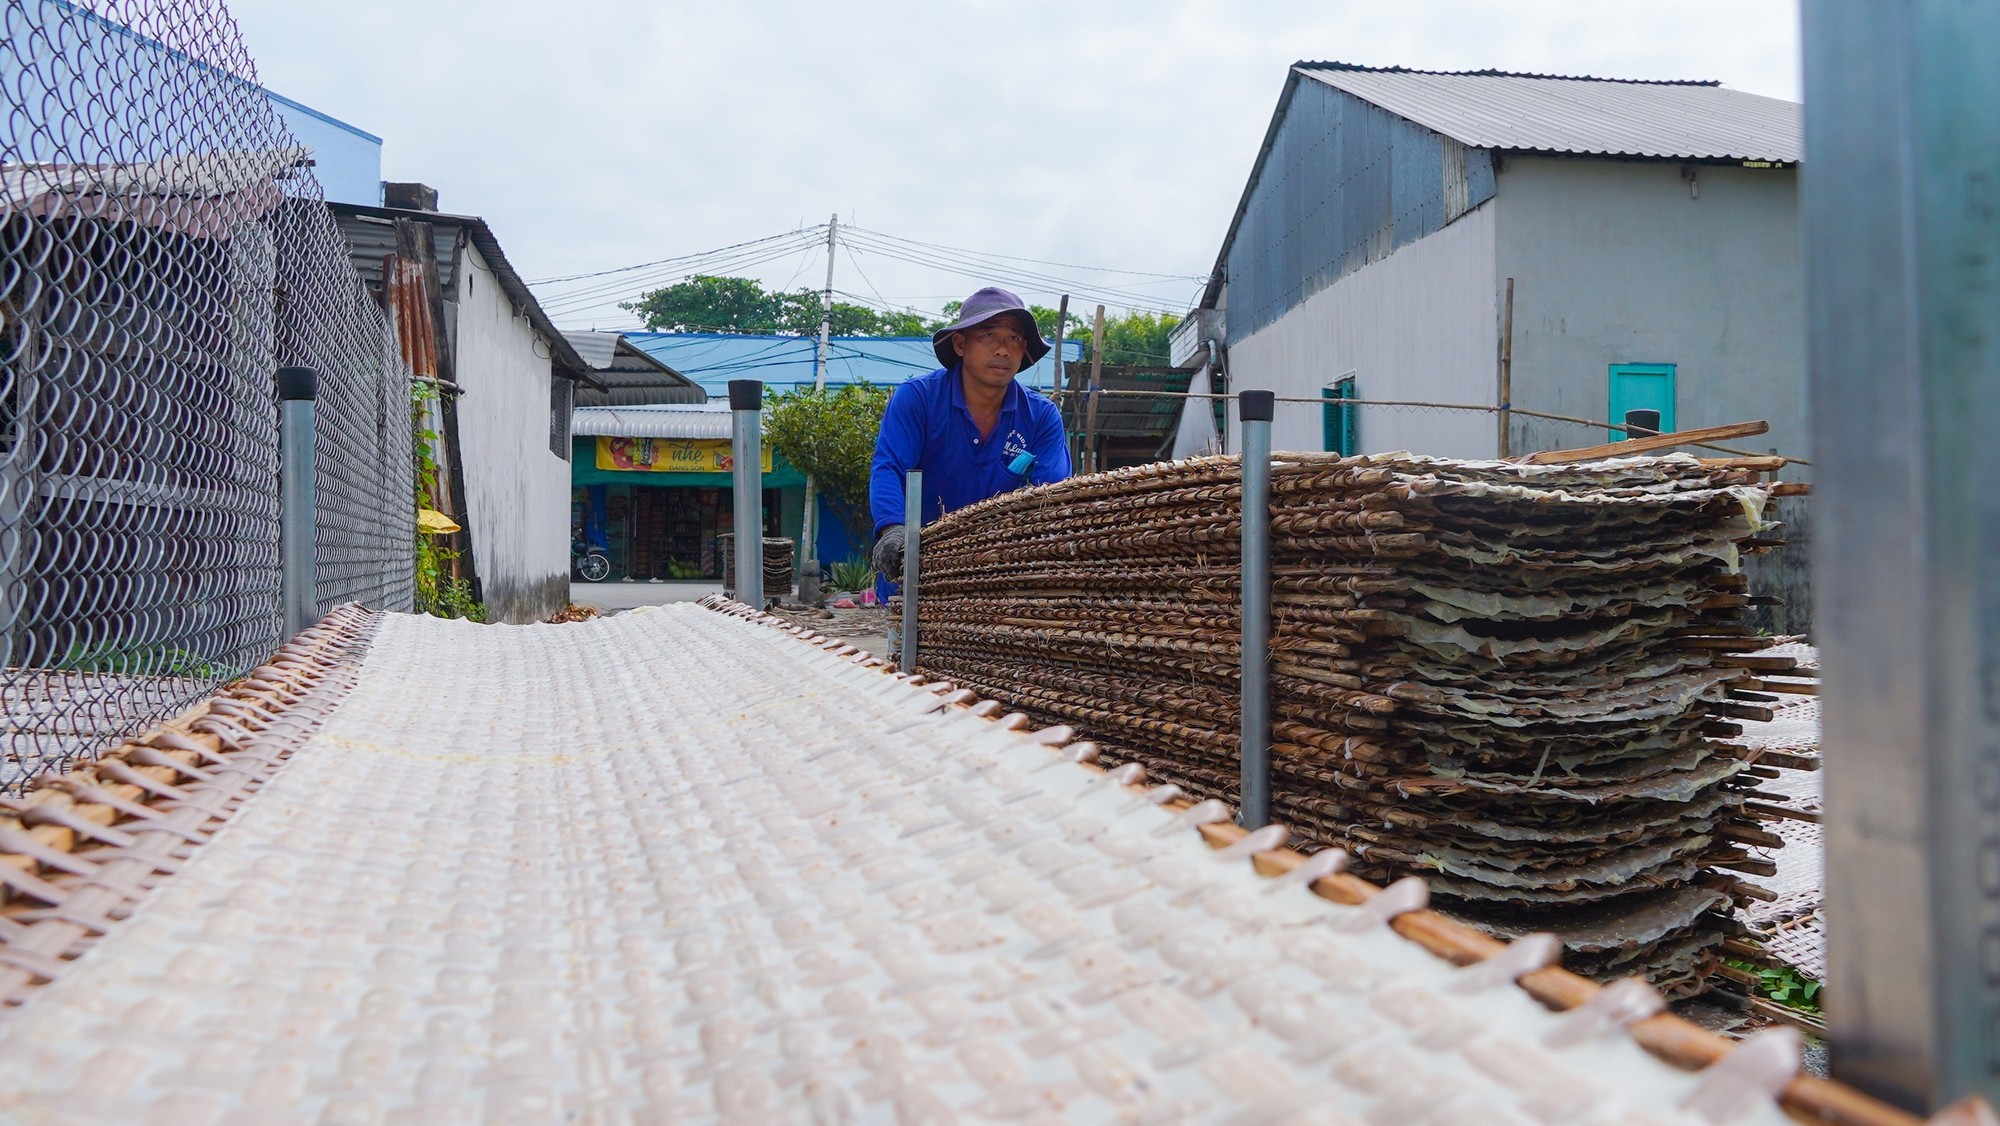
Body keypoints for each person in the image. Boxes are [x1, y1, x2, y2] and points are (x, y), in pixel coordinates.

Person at [870, 287, 1071, 594]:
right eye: (989, 335)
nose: (1003, 349)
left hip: (999, 581)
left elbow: (1054, 497)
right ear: (961, 344)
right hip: (917, 577)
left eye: (1014, 338)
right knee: (909, 642)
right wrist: (892, 529)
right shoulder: (917, 399)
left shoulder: (1042, 416)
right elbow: (889, 468)